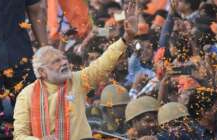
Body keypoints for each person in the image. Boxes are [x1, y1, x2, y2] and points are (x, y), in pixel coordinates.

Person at [13, 2, 139, 139]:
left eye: (63, 58)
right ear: (42, 72)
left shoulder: (78, 80)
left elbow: (103, 63)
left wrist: (127, 37)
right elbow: (19, 135)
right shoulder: (27, 95)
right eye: (56, 61)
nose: (64, 62)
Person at [0, 0, 47, 134]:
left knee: (35, 118)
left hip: (19, 56)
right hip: (13, 54)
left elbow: (36, 10)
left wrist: (46, 49)